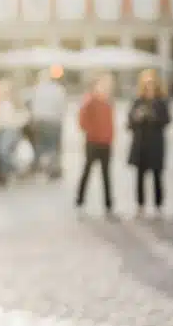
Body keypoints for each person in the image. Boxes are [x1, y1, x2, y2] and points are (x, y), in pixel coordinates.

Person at [127, 70, 171, 217]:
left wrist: (154, 117)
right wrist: (137, 117)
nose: (149, 89)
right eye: (146, 86)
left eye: (152, 85)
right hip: (141, 145)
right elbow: (129, 123)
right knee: (140, 177)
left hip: (156, 145)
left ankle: (158, 205)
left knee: (157, 176)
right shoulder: (138, 101)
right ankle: (140, 205)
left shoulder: (161, 102)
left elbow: (167, 120)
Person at [75, 74, 115, 216]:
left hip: (106, 143)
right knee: (87, 171)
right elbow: (82, 121)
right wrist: (93, 132)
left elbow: (110, 123)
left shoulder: (108, 102)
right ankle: (79, 201)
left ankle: (109, 204)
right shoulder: (89, 101)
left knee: (106, 174)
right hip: (92, 142)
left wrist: (110, 137)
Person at [29, 68, 67, 179]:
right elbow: (62, 107)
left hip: (40, 121)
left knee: (40, 146)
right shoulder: (58, 89)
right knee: (54, 147)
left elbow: (33, 107)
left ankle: (37, 168)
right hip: (54, 122)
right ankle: (53, 170)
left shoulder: (36, 89)